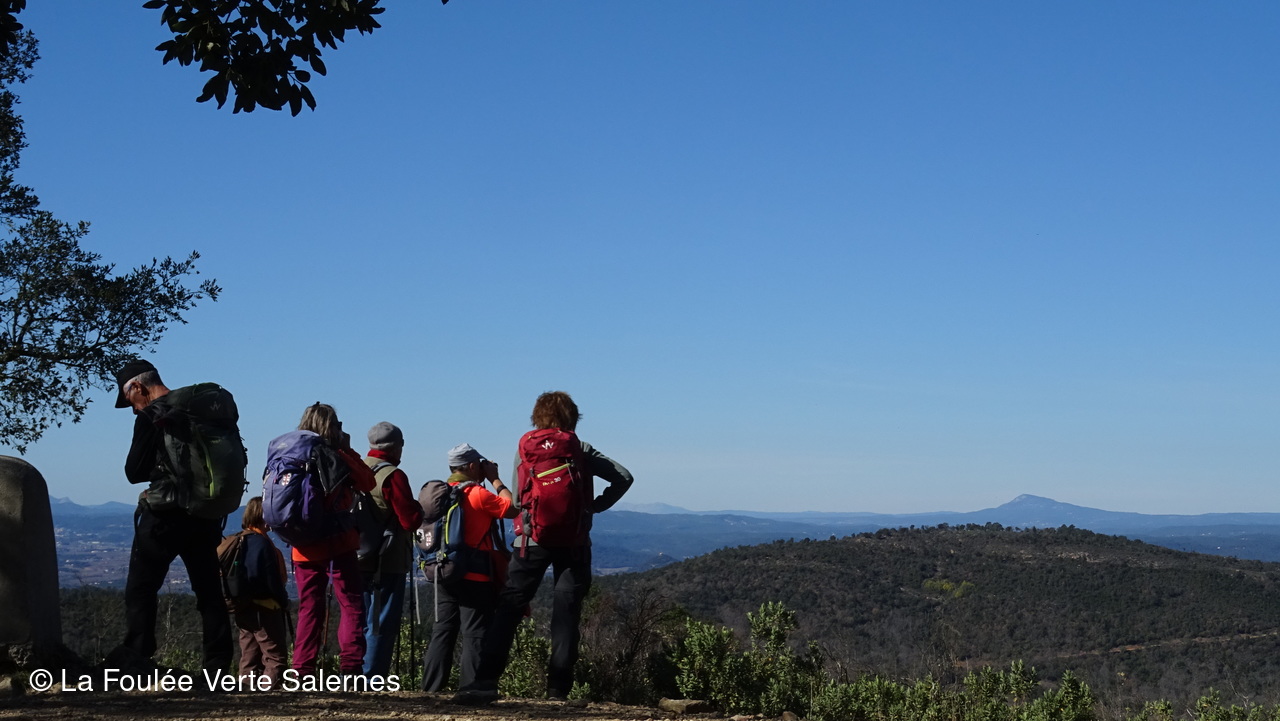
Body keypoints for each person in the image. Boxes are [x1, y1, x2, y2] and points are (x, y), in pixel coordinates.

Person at [458, 392, 633, 703]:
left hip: (530, 541)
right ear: (572, 418)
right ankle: (557, 691)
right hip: (574, 542)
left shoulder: (525, 449)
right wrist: (594, 506)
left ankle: (484, 682)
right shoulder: (580, 448)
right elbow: (624, 477)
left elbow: (516, 501)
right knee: (566, 616)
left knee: (509, 610)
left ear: (537, 417)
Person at [111, 358, 234, 673]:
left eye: (129, 400)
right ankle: (217, 665)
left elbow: (133, 472)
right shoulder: (198, 410)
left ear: (138, 387)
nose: (133, 409)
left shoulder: (151, 415)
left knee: (141, 588)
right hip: (204, 513)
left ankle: (137, 657)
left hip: (165, 515)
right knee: (208, 591)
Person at [289, 403, 377, 676]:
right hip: (338, 540)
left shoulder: (292, 453)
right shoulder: (335, 455)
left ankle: (302, 669)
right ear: (333, 427)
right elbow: (367, 482)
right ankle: (350, 668)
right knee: (351, 604)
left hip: (302, 542)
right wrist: (347, 449)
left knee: (309, 608)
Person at [422, 443, 516, 692]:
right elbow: (512, 507)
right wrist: (495, 479)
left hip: (444, 570)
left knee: (443, 630)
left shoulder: (440, 494)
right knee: (475, 633)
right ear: (472, 465)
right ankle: (471, 688)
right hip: (475, 574)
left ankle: (430, 689)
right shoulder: (477, 494)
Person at [360, 421, 424, 677]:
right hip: (387, 560)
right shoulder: (393, 476)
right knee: (380, 623)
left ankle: (351, 675)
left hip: (354, 556)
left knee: (357, 620)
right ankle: (372, 678)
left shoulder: (355, 470)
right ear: (398, 446)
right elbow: (410, 520)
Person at [230, 496, 290, 686]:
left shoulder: (240, 539)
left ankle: (246, 689)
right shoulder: (261, 543)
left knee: (249, 653)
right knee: (275, 656)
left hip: (242, 606)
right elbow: (270, 580)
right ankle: (269, 690)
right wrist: (282, 600)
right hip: (265, 607)